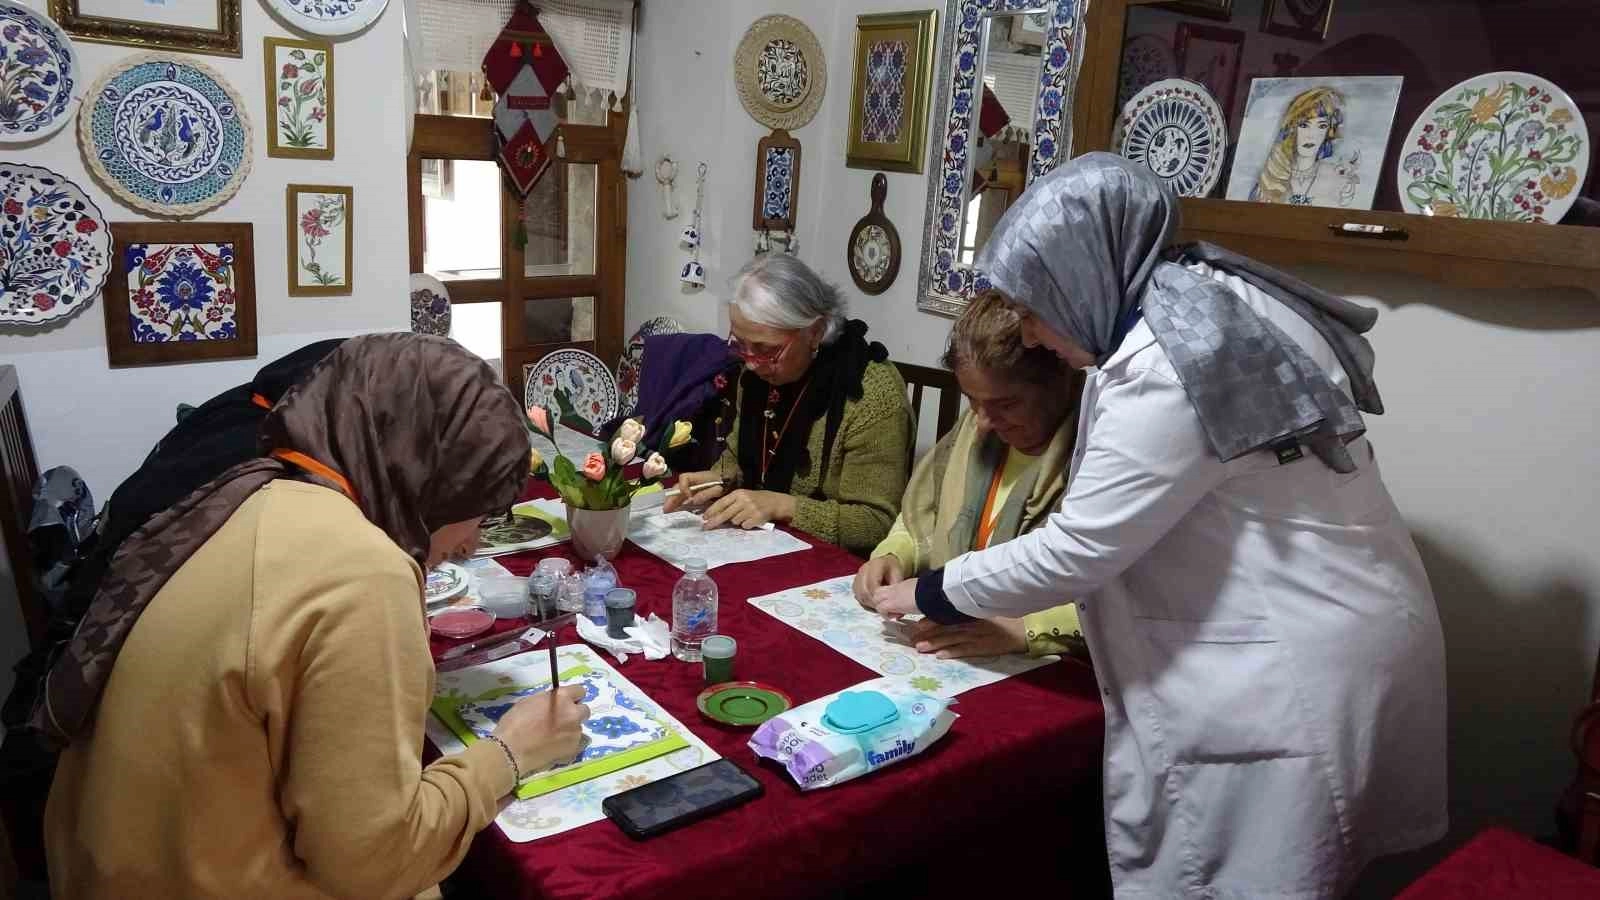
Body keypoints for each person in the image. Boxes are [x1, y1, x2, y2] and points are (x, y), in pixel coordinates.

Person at [869, 153, 1447, 896]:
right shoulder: (1204, 297)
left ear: (1082, 275)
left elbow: (1077, 550)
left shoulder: (1172, 363)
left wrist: (931, 592)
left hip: (1295, 661)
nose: (1032, 335)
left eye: (1033, 309)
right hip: (1333, 618)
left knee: (1254, 875)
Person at [38, 334, 590, 899]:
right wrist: (510, 754)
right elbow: (375, 864)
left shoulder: (257, 484)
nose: (472, 542)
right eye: (477, 507)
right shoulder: (364, 571)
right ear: (428, 470)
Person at [852, 293, 1088, 661]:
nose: (983, 422)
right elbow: (921, 519)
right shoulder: (977, 429)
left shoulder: (1096, 450)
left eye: (1006, 404)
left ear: (1059, 382)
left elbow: (1123, 598)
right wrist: (894, 556)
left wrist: (1024, 630)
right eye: (972, 400)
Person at [664, 253, 912, 556]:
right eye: (740, 344)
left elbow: (876, 523)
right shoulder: (758, 377)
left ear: (815, 332)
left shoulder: (870, 395)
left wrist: (783, 506)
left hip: (834, 563)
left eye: (766, 349)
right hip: (764, 544)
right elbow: (738, 457)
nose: (752, 364)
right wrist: (720, 479)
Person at [1251, 86, 1360, 208]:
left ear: (1329, 131)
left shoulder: (1339, 178)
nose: (1311, 135)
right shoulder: (1271, 175)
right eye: (1304, 125)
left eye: (1322, 126)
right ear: (1292, 128)